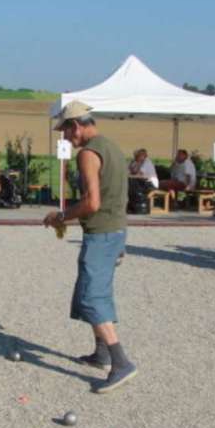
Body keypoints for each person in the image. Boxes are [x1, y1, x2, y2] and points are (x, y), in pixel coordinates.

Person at [43, 100, 137, 394]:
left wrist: (60, 217)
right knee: (99, 291)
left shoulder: (87, 154)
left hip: (100, 234)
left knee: (91, 297)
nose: (65, 138)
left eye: (65, 131)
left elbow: (92, 202)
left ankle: (120, 362)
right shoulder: (112, 147)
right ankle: (101, 354)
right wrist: (121, 238)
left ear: (76, 126)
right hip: (115, 231)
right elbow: (118, 198)